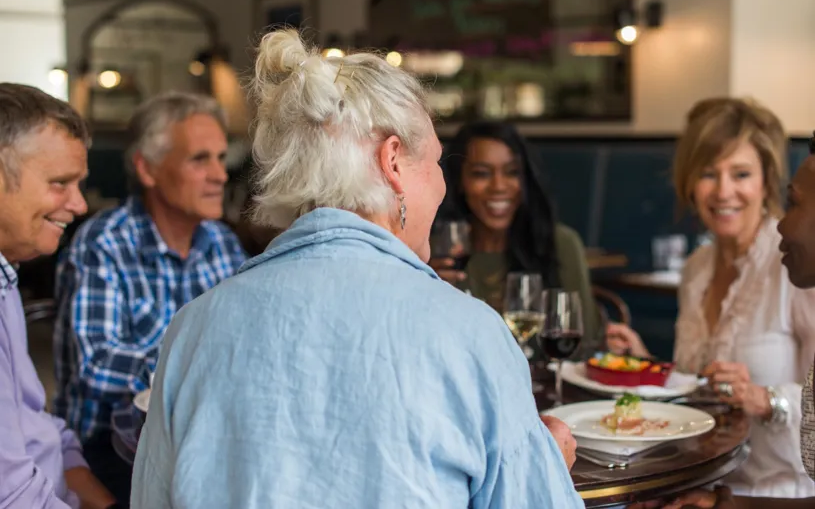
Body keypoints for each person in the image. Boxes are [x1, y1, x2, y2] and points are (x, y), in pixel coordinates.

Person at [130, 29, 583, 508]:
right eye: (434, 161)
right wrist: (541, 465)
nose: (443, 185)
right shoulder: (471, 334)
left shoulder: (192, 327)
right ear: (392, 162)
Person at [608, 98, 815, 498]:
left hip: (779, 496)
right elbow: (699, 382)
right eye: (708, 173)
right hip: (700, 487)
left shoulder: (799, 261)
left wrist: (765, 399)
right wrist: (648, 362)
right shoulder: (696, 268)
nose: (723, 191)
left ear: (767, 181)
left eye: (740, 174)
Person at [53, 92, 248, 505]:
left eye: (219, 157)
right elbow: (95, 365)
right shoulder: (102, 245)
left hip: (199, 436)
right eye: (200, 159)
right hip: (108, 446)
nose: (219, 174)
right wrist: (191, 363)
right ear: (147, 168)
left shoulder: (223, 242)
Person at [0, 83, 116, 508]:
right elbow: (12, 497)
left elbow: (37, 425)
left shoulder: (5, 275)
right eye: (60, 183)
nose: (80, 204)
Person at [432, 120, 602, 351]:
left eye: (512, 172)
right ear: (460, 182)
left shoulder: (561, 243)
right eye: (481, 174)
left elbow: (585, 343)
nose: (499, 186)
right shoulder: (435, 251)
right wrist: (426, 290)